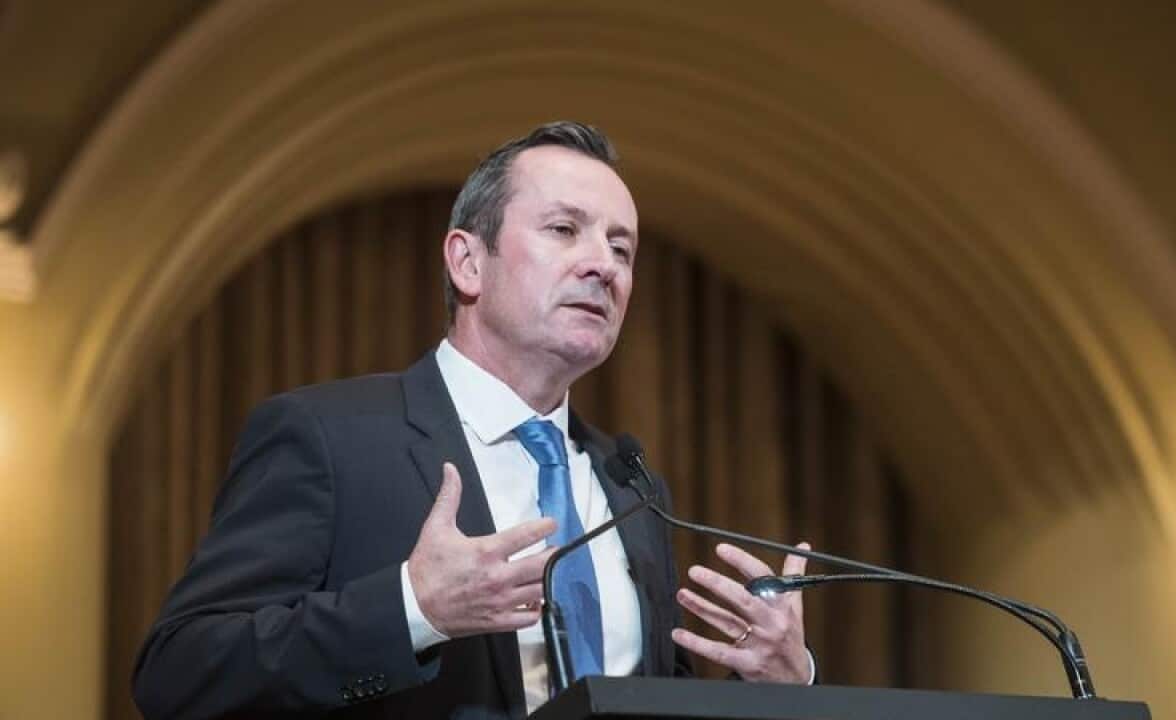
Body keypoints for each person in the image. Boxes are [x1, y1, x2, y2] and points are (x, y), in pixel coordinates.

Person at [132, 121, 813, 719]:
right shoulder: (328, 438)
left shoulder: (631, 489)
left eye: (622, 248)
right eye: (564, 230)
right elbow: (179, 673)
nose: (603, 265)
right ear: (466, 261)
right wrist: (411, 610)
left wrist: (777, 687)